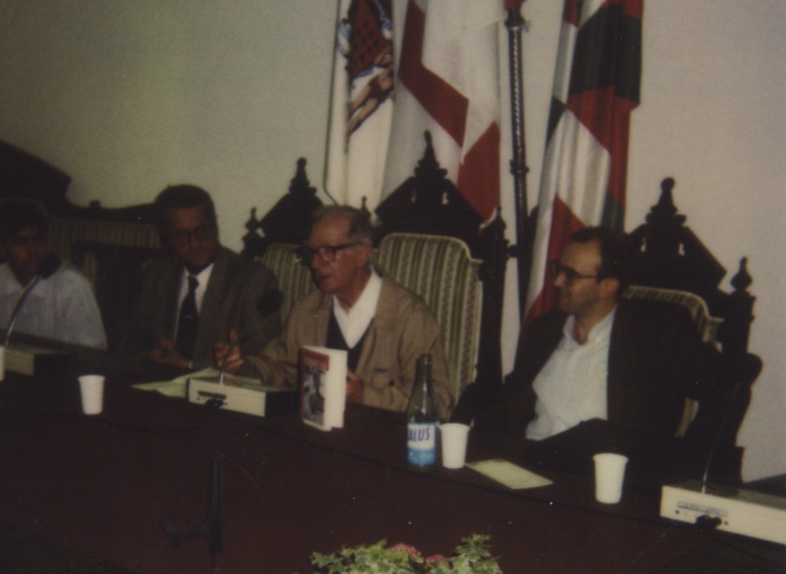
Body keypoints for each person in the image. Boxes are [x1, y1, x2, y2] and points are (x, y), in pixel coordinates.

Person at [462, 227, 734, 478]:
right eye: (557, 268)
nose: (557, 281)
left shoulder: (656, 332)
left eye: (570, 275)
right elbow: (508, 404)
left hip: (599, 478)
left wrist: (685, 462)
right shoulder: (544, 329)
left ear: (607, 286)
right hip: (528, 465)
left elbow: (725, 387)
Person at [216, 206, 454, 417]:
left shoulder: (410, 316)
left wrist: (366, 396)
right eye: (312, 253)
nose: (315, 264)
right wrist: (242, 367)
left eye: (328, 251)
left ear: (361, 253)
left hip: (380, 444)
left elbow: (440, 402)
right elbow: (283, 370)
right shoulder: (307, 311)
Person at [120, 184, 281, 369]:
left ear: (215, 225)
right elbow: (130, 340)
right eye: (181, 235)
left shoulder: (254, 280)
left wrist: (188, 365)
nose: (194, 244)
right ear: (167, 237)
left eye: (202, 230)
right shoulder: (156, 274)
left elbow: (264, 360)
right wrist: (150, 355)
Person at [0, 200, 107, 349]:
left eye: (38, 240)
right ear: (1, 247)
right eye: (21, 242)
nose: (32, 250)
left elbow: (90, 352)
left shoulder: (73, 287)